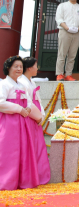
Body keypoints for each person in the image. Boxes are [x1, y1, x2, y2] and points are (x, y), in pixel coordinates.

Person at [0, 56, 49, 190]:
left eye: (20, 66)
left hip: (22, 122)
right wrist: (19, 108)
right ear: (8, 68)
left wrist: (27, 108)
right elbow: (1, 103)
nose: (18, 69)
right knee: (9, 150)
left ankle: (22, 180)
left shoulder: (21, 85)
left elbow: (28, 101)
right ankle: (6, 181)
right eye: (15, 66)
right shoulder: (4, 84)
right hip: (9, 121)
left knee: (23, 151)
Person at [18, 56, 50, 186]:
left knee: (36, 148)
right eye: (36, 66)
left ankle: (37, 175)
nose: (37, 68)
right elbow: (28, 103)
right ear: (30, 68)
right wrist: (38, 116)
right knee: (28, 147)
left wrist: (41, 115)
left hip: (35, 118)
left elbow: (39, 101)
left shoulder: (31, 82)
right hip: (28, 118)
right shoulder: (22, 82)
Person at [55, 0, 79, 81]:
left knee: (72, 55)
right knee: (62, 54)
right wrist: (67, 28)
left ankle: (68, 74)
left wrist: (78, 28)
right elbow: (59, 19)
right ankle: (59, 74)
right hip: (64, 31)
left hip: (76, 33)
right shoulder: (62, 6)